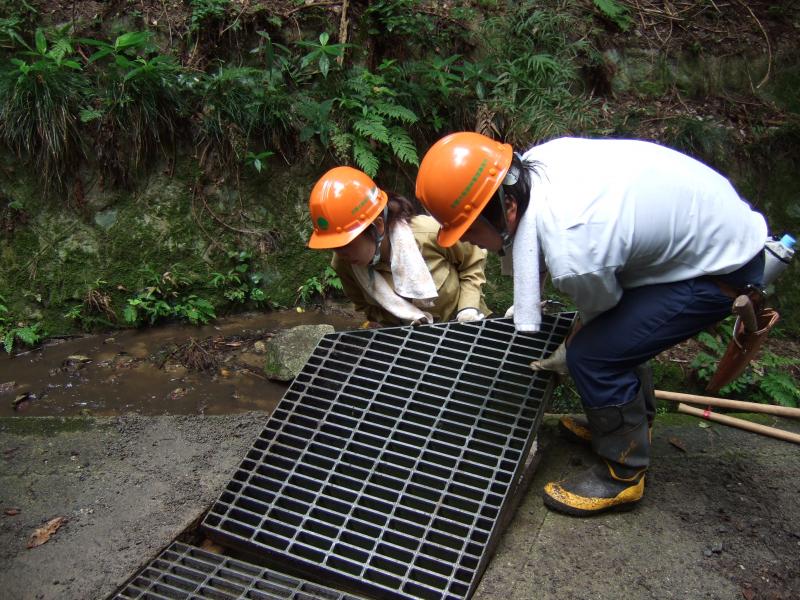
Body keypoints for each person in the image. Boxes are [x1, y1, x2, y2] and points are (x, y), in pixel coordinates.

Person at [414, 132, 767, 516]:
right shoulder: (533, 165)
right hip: (707, 228)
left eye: (469, 230)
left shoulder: (576, 249)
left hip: (722, 269)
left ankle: (624, 472)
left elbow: (601, 314)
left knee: (594, 355)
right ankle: (632, 425)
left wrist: (574, 347)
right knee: (616, 340)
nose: (471, 243)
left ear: (508, 206)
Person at [307, 166, 491, 326]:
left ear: (377, 226)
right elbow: (364, 306)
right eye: (333, 245)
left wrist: (468, 309)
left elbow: (472, 262)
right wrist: (382, 324)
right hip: (410, 340)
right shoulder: (344, 264)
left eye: (346, 242)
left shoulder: (428, 233)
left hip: (464, 322)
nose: (340, 252)